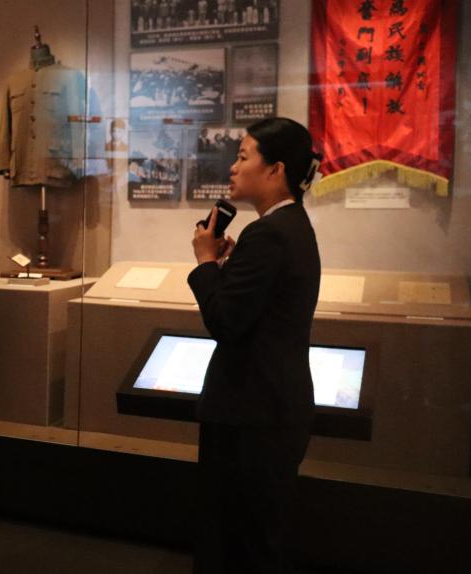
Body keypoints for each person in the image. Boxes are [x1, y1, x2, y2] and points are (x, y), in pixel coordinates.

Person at [187, 117, 322, 574]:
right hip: (271, 408)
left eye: (243, 157)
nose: (233, 166)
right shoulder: (289, 226)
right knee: (257, 536)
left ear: (275, 170)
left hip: (251, 414)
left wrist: (206, 263)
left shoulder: (268, 233)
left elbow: (225, 321)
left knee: (237, 542)